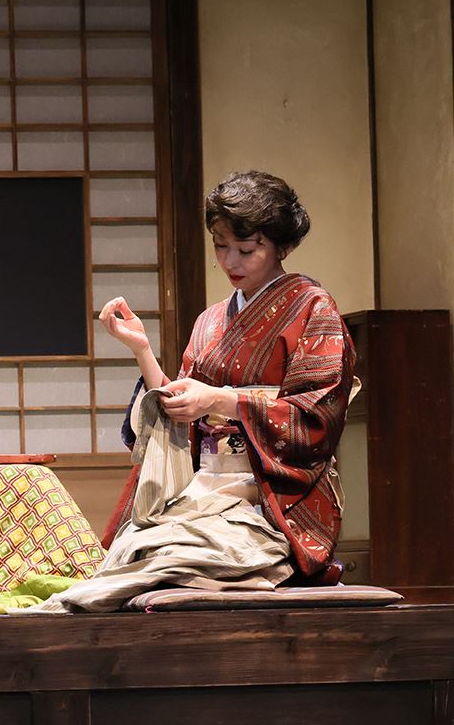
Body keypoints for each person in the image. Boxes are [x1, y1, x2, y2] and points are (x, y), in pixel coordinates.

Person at [25, 170, 356, 613]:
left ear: (282, 246)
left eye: (246, 249)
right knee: (139, 553)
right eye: (220, 246)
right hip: (203, 488)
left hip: (270, 498)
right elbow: (180, 408)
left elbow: (317, 417)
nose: (231, 261)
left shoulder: (313, 307)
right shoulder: (210, 321)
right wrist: (142, 350)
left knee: (180, 562)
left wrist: (219, 400)